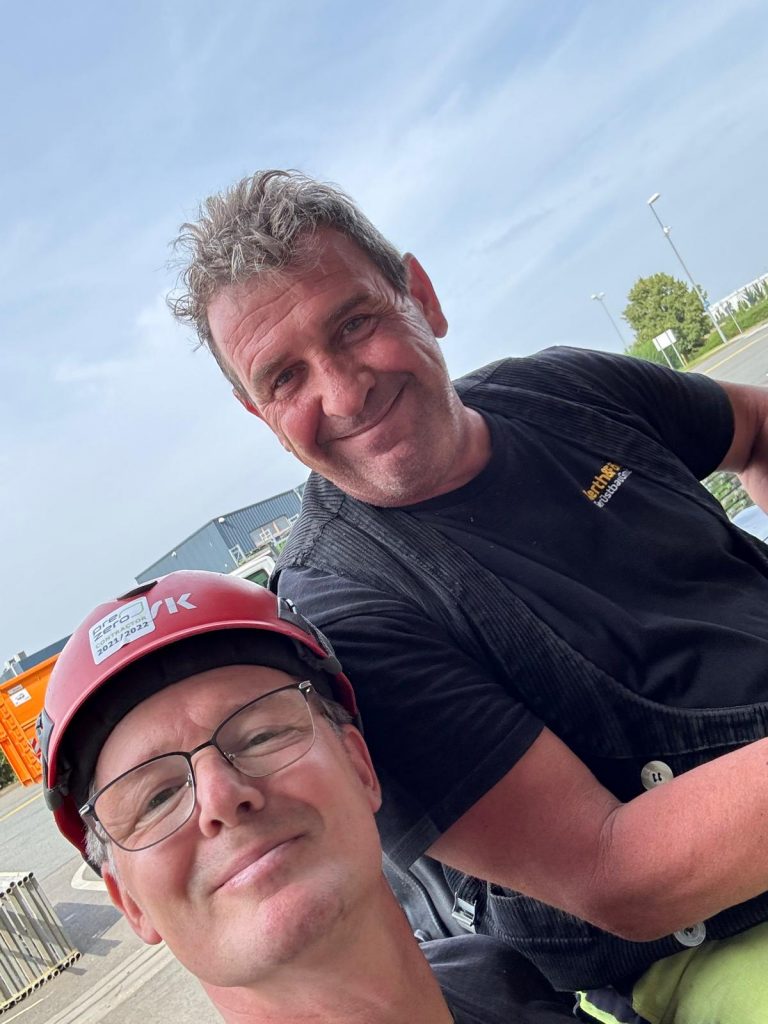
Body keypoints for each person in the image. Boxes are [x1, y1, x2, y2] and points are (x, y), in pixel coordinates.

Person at [168, 169, 768, 1023]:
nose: (342, 392)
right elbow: (620, 875)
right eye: (285, 378)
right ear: (258, 413)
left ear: (421, 297)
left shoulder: (562, 392)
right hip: (712, 940)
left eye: (355, 324)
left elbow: (756, 425)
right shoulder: (344, 613)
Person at [38, 570, 575, 1024]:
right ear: (130, 903)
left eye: (262, 736)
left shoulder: (502, 981)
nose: (221, 797)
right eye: (156, 800)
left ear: (360, 768)